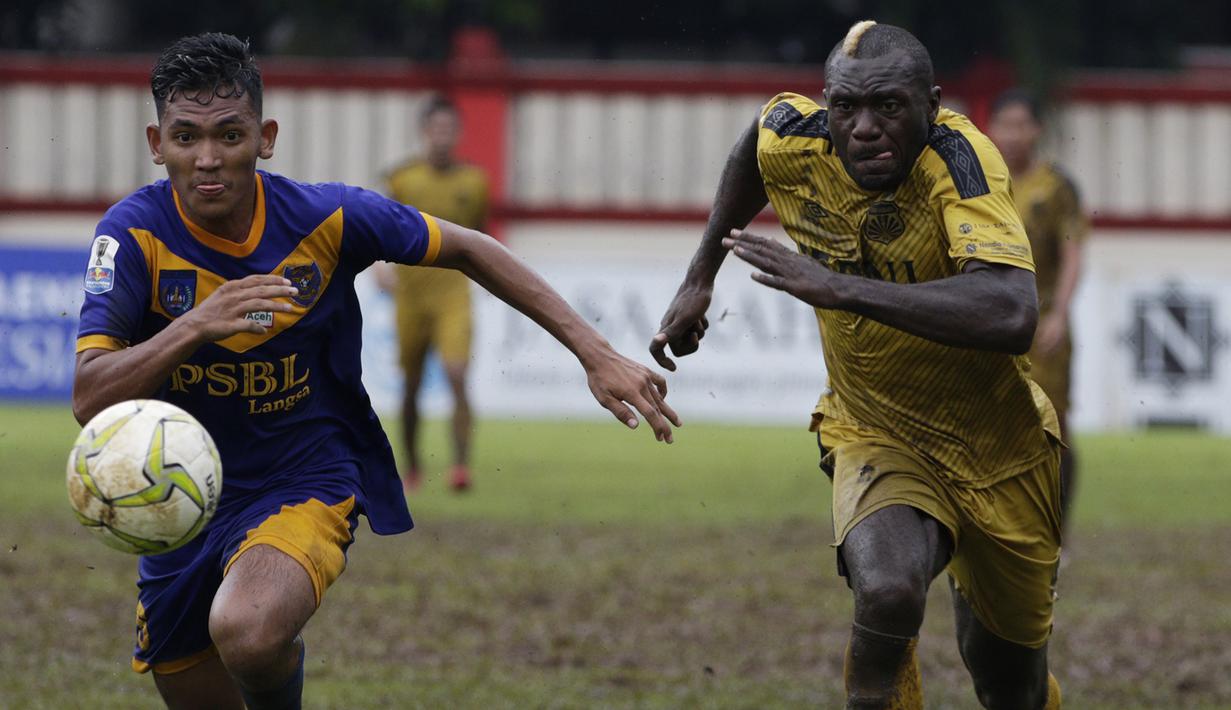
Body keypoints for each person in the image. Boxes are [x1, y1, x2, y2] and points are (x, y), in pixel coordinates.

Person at [72, 32, 677, 710]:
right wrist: (193, 327)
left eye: (229, 135)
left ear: (265, 137)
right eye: (185, 138)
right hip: (178, 504)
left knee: (245, 631)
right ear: (157, 145)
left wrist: (594, 353)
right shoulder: (131, 237)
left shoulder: (325, 216)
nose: (207, 159)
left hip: (301, 474)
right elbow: (89, 396)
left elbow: (472, 248)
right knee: (194, 682)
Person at [652, 21, 1062, 710]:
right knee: (887, 590)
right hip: (874, 431)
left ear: (930, 106)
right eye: (845, 108)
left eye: (889, 107)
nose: (863, 128)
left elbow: (1008, 309)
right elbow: (756, 146)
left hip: (1001, 451)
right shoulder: (794, 132)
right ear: (826, 105)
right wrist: (700, 275)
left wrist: (840, 288)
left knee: (1006, 684)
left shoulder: (962, 161)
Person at [377, 96, 488, 492]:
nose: (442, 138)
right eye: (435, 130)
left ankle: (461, 467)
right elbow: (378, 228)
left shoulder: (474, 183)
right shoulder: (403, 180)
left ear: (456, 134)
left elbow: (481, 237)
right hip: (410, 295)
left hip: (452, 293)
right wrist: (379, 269)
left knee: (457, 375)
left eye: (448, 130)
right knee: (411, 385)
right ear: (424, 132)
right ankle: (411, 468)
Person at [988, 89, 1087, 530]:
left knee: (1055, 430)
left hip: (1041, 321)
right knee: (989, 426)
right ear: (991, 129)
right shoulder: (981, 184)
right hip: (989, 321)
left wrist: (1060, 315)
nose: (1012, 135)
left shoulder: (1054, 187)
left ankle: (1057, 531)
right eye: (1004, 125)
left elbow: (1072, 253)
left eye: (1020, 125)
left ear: (1036, 130)